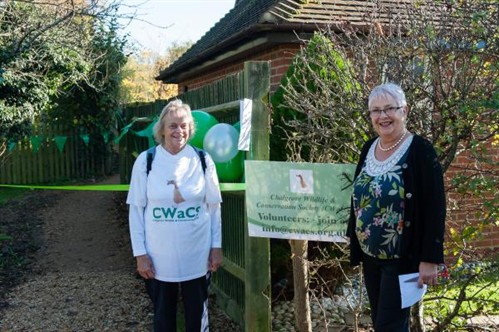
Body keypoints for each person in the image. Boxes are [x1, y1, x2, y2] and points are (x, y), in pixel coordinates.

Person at [347, 83, 446, 331]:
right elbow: (359, 195)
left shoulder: (421, 151)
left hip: (403, 259)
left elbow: (435, 207)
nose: (383, 116)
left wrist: (430, 259)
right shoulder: (368, 148)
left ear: (405, 111)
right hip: (371, 257)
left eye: (390, 108)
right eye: (375, 111)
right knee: (385, 322)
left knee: (389, 327)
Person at [127, 99, 223, 332]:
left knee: (198, 320)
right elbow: (136, 210)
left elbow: (214, 207)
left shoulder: (202, 160)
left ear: (190, 129)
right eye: (172, 125)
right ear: (161, 129)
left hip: (197, 256)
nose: (178, 131)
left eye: (183, 125)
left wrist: (216, 247)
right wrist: (140, 254)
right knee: (163, 319)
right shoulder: (146, 161)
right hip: (159, 260)